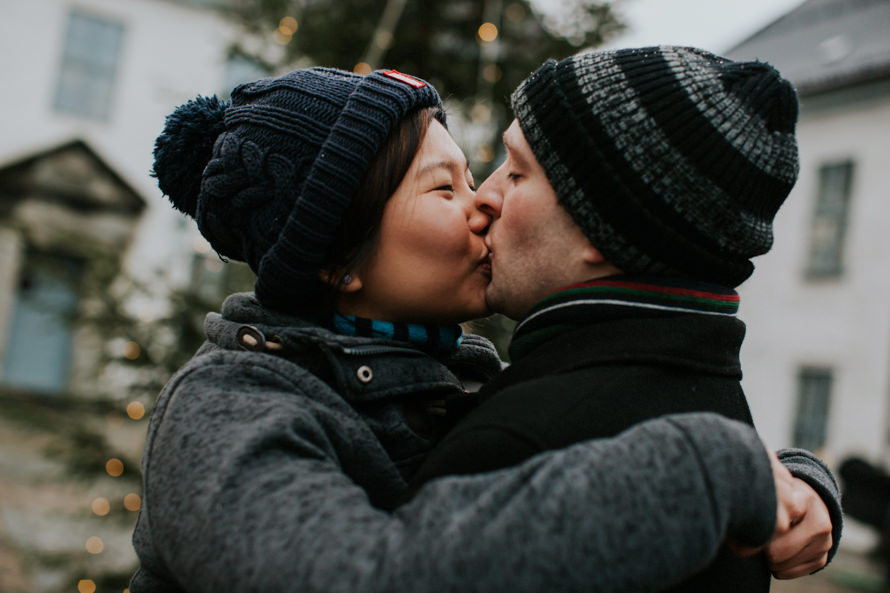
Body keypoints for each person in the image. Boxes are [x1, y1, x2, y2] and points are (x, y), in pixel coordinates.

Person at [132, 65, 833, 593]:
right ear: (339, 258)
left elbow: (594, 439)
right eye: (445, 189)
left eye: (477, 177)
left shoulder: (457, 373)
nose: (486, 204)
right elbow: (366, 575)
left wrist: (794, 482)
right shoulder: (227, 409)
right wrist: (705, 471)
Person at [407, 46, 841, 591]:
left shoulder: (520, 446)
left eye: (517, 172)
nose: (484, 197)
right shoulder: (721, 423)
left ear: (601, 228)